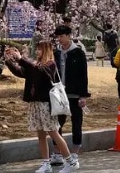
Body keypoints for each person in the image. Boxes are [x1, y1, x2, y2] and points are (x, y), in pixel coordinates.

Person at [5, 41, 79, 173]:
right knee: (40, 134)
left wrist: (21, 59)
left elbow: (40, 71)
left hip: (46, 104)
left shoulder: (50, 64)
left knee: (53, 132)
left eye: (40, 49)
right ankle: (46, 164)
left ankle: (70, 161)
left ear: (46, 50)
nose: (37, 51)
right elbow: (22, 72)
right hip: (35, 103)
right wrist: (10, 61)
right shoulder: (35, 65)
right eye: (37, 49)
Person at [50, 25, 89, 167]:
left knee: (76, 123)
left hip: (74, 94)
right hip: (58, 94)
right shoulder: (56, 53)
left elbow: (83, 75)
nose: (59, 39)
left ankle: (74, 154)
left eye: (62, 36)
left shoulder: (78, 53)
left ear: (69, 35)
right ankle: (57, 153)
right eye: (58, 37)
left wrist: (83, 96)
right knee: (56, 123)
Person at [103, 23, 120, 98]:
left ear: (107, 27)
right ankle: (117, 65)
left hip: (110, 47)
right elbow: (117, 40)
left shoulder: (105, 33)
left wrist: (105, 48)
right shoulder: (115, 32)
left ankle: (113, 64)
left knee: (112, 56)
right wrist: (118, 45)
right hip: (115, 47)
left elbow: (105, 42)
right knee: (116, 56)